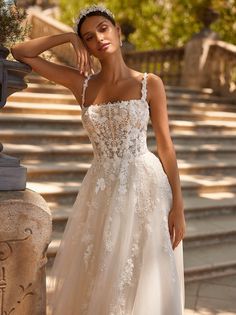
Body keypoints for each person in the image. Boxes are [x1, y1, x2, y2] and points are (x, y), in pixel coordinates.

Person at [11, 4, 186, 315]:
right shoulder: (83, 85)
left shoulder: (150, 83)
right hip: (101, 190)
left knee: (142, 275)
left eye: (104, 29)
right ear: (86, 46)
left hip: (145, 187)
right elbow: (20, 51)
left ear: (117, 32)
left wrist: (179, 208)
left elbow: (166, 148)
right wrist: (66, 36)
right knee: (101, 273)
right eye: (89, 37)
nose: (99, 38)